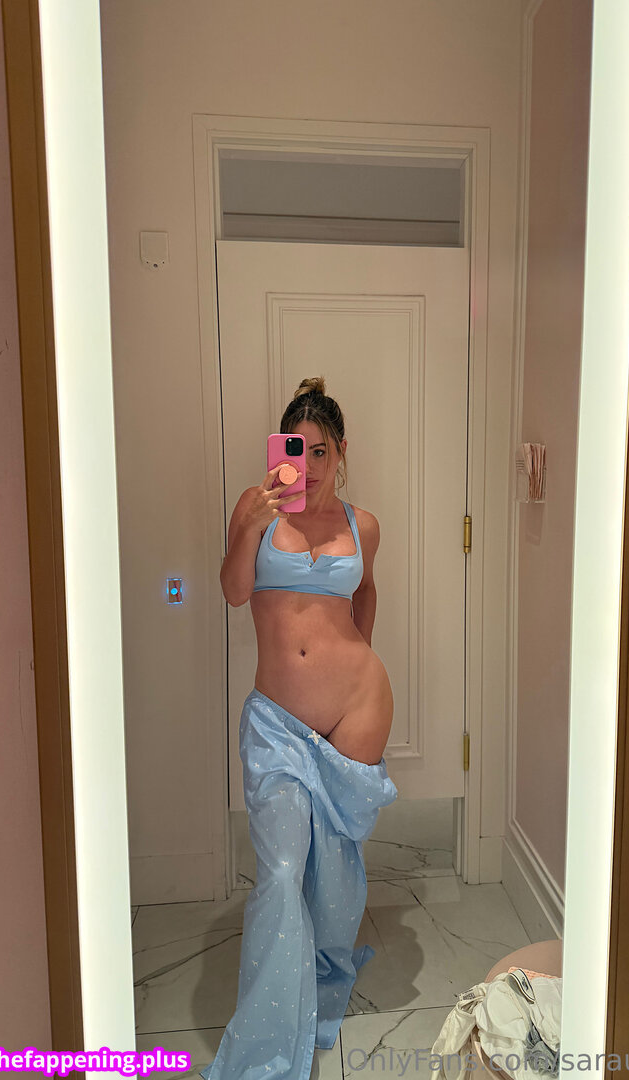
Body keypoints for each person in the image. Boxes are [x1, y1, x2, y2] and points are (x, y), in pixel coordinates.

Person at [200, 377, 398, 1080]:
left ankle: (324, 979)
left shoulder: (363, 525)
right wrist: (248, 527)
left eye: (321, 451)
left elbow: (365, 590)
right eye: (296, 449)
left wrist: (358, 658)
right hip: (277, 726)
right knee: (283, 871)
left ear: (341, 452)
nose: (308, 466)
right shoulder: (254, 511)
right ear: (278, 451)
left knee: (336, 864)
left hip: (355, 711)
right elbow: (234, 591)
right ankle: (270, 1035)